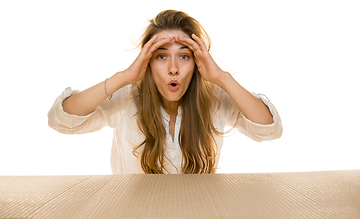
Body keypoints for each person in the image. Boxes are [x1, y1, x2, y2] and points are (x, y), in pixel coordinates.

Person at [48, 10, 282, 174]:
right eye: (161, 56)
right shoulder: (126, 99)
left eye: (184, 56)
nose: (173, 69)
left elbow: (270, 129)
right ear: (147, 61)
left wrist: (222, 77)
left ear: (197, 62)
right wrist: (123, 77)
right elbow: (61, 120)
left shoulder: (214, 101)